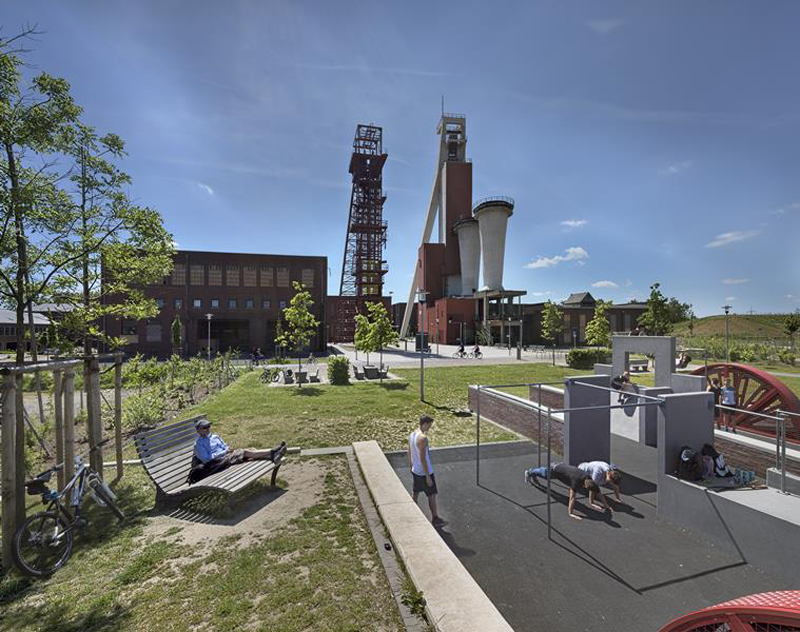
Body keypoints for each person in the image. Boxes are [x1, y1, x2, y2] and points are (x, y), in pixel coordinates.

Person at [190, 419, 287, 482]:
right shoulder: (198, 444)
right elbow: (207, 459)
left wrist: (227, 449)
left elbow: (225, 446)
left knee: (251, 450)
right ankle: (273, 452)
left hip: (227, 457)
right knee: (244, 452)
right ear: (198, 430)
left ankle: (273, 456)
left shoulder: (215, 437)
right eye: (204, 428)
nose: (207, 429)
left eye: (208, 427)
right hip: (217, 464)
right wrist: (224, 452)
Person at [524, 462, 609, 521]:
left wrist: (606, 506)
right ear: (585, 486)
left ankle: (534, 472)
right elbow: (572, 498)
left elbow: (598, 492)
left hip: (562, 469)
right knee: (544, 474)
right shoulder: (576, 482)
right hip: (555, 468)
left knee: (545, 474)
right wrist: (571, 513)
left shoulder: (589, 479)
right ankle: (530, 471)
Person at [407, 415, 446, 527]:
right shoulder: (423, 438)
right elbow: (423, 459)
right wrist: (428, 477)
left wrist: (411, 466)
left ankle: (411, 513)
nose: (429, 428)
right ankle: (435, 518)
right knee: (432, 495)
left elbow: (409, 451)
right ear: (424, 424)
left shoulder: (412, 435)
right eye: (429, 425)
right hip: (425, 472)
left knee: (416, 492)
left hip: (416, 471)